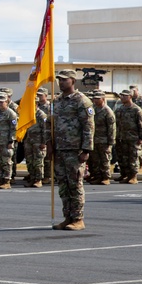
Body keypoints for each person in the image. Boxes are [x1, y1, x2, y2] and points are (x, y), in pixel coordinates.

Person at [51, 69, 94, 230]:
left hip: (75, 150)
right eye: (59, 80)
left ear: (73, 81)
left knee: (75, 184)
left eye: (64, 80)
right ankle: (67, 217)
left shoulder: (81, 101)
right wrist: (49, 143)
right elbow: (51, 124)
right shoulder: (57, 101)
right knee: (63, 185)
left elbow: (88, 126)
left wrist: (86, 149)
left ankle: (78, 219)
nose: (61, 82)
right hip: (60, 148)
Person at [115, 89, 142, 184]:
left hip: (133, 138)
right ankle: (126, 175)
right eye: (121, 96)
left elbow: (141, 125)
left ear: (130, 97)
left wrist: (141, 137)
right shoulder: (120, 109)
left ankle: (133, 176)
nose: (122, 97)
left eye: (125, 96)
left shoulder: (136, 109)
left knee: (133, 157)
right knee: (124, 157)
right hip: (122, 137)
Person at [0, 92, 18, 189]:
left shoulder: (11, 113)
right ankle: (0, 179)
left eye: (2, 102)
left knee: (6, 162)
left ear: (6, 102)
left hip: (5, 142)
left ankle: (6, 180)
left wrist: (11, 141)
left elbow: (14, 129)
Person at [88, 91, 115, 185]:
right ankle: (98, 176)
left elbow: (111, 127)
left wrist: (111, 141)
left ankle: (106, 177)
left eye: (97, 98)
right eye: (94, 98)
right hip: (94, 139)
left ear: (103, 99)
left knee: (105, 159)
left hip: (104, 140)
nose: (95, 100)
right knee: (95, 159)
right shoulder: (93, 109)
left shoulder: (107, 111)